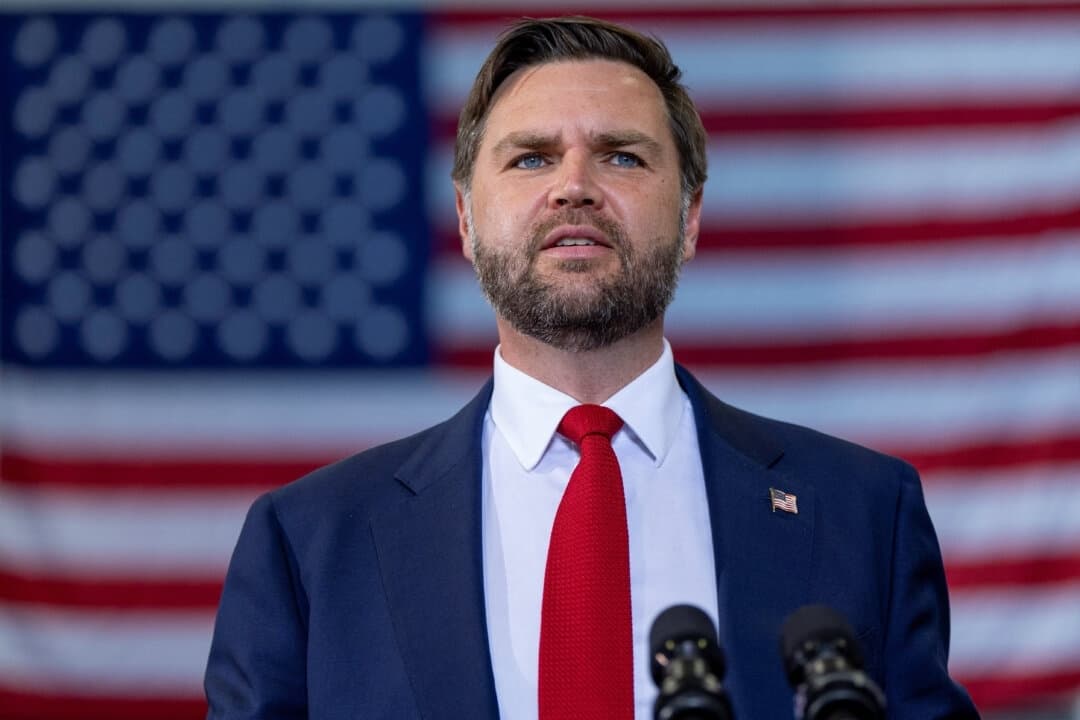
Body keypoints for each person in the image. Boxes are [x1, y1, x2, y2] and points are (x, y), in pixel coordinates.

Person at [205, 16, 979, 720]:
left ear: (691, 218)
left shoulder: (863, 513)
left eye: (622, 155)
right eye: (532, 157)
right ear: (468, 221)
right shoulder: (310, 543)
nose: (574, 187)